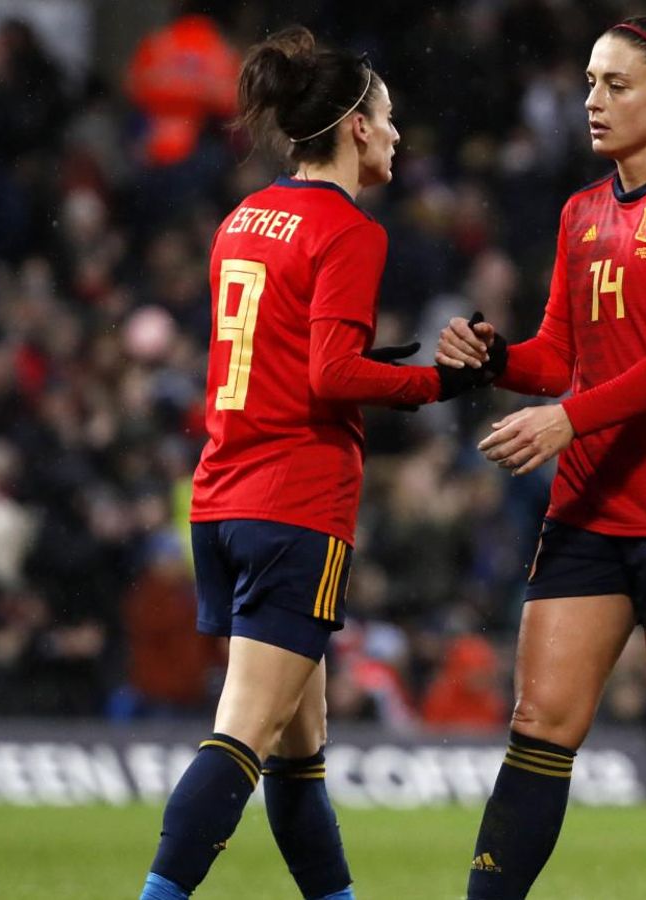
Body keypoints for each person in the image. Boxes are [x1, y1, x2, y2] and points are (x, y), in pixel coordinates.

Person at [135, 27, 492, 900]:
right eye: (391, 118)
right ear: (356, 129)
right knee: (244, 734)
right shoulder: (348, 230)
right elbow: (331, 374)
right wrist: (434, 385)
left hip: (221, 497)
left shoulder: (240, 219)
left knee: (302, 748)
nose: (399, 135)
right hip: (295, 502)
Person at [437, 9, 646, 898]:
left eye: (615, 85)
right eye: (589, 81)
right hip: (590, 507)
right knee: (540, 720)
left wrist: (568, 419)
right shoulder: (580, 213)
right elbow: (559, 354)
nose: (591, 100)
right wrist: (495, 360)